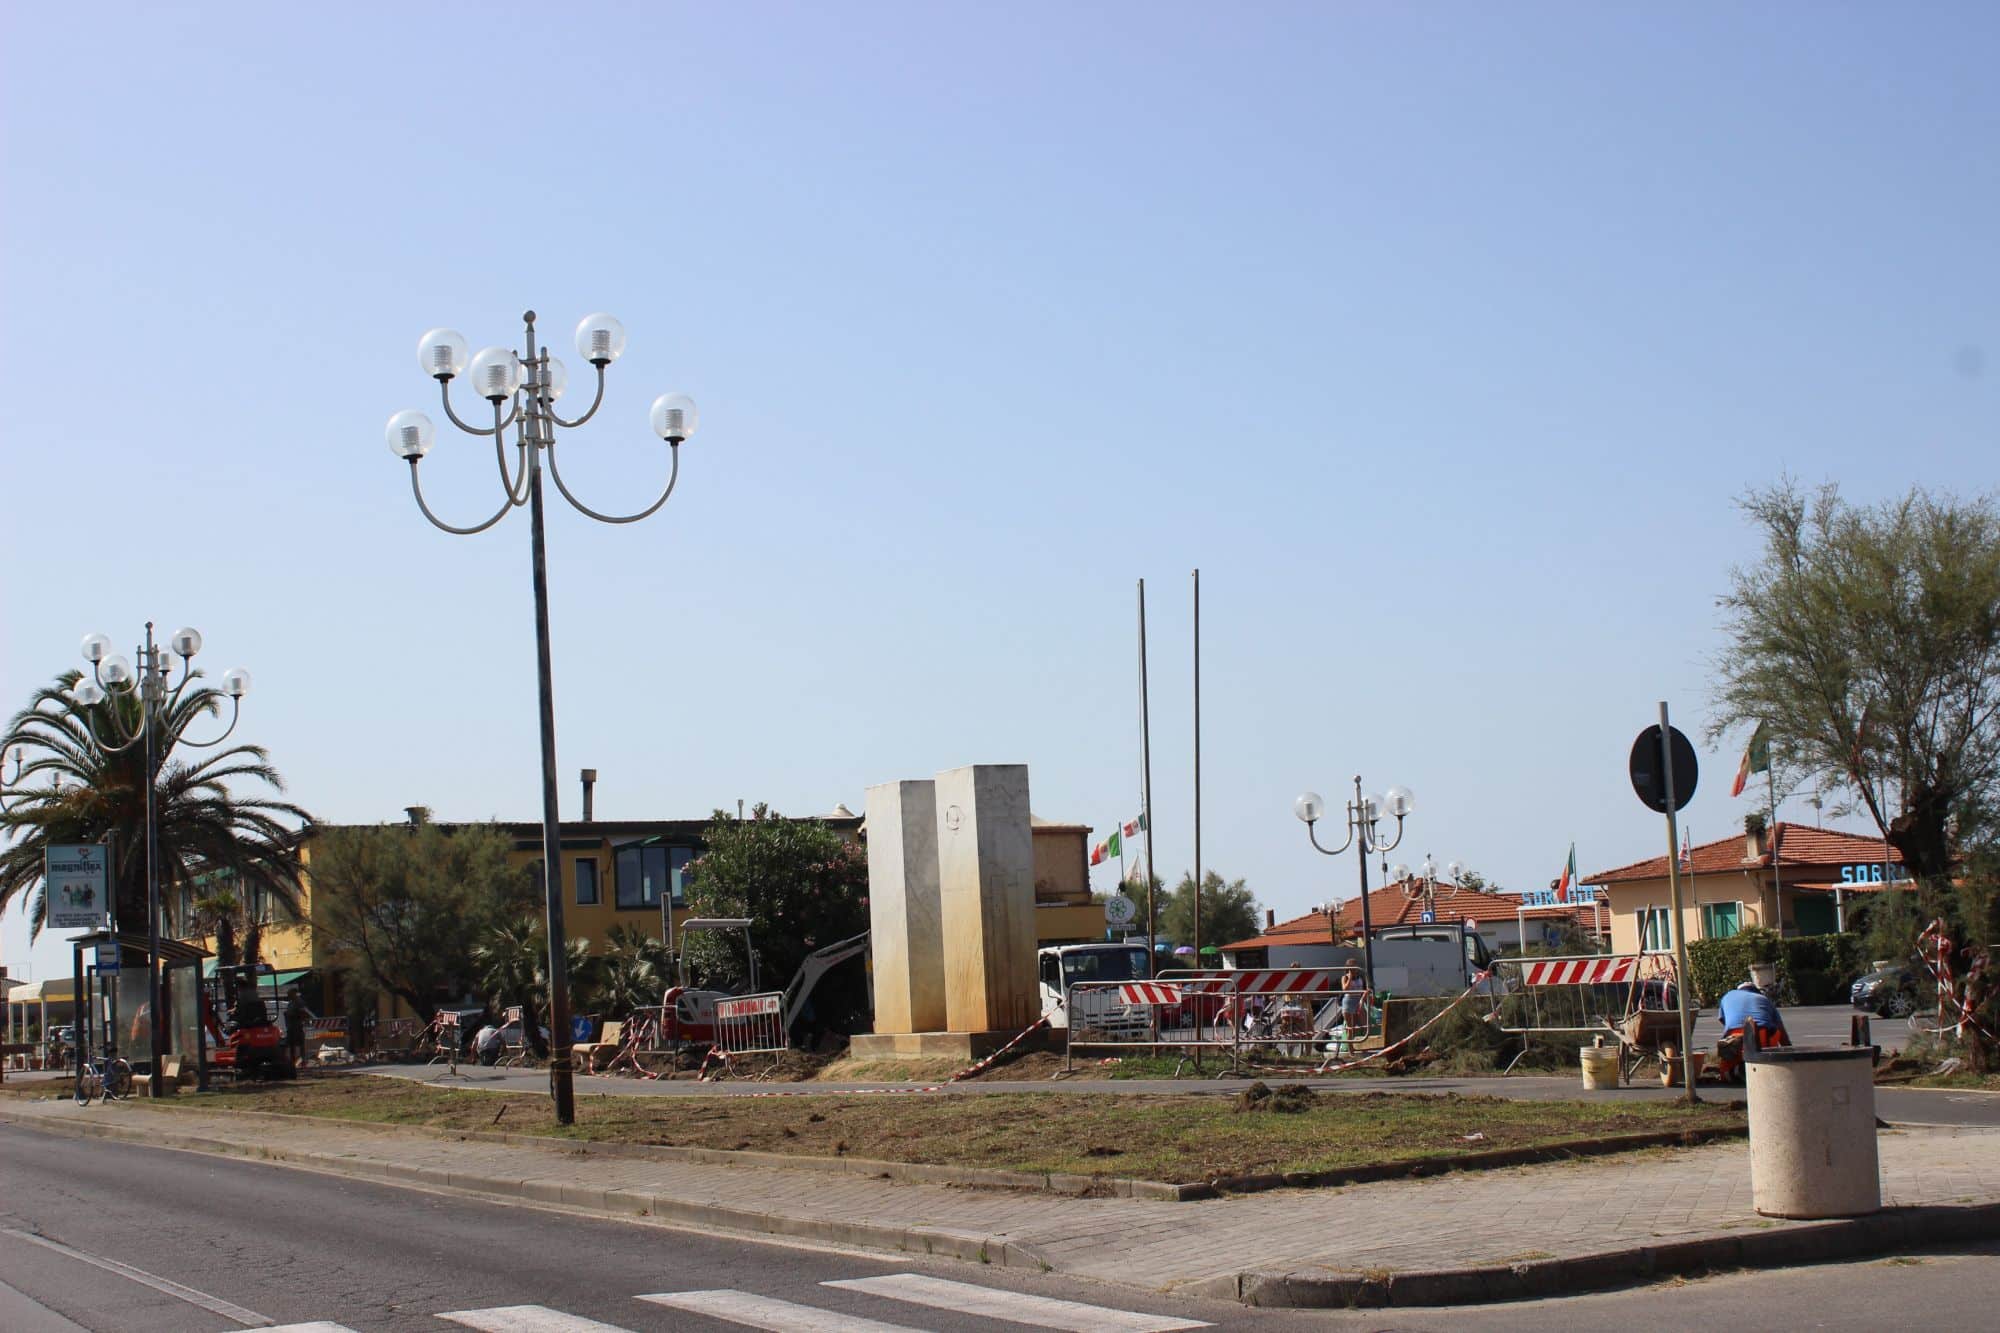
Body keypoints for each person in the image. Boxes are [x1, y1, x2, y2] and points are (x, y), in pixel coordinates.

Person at [1715, 978, 1790, 1082]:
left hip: (1734, 1037)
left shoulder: (1727, 996)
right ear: (1756, 991)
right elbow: (1781, 1031)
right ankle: (1763, 1068)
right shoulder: (1764, 999)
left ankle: (1737, 1069)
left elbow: (1723, 1021)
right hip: (1762, 1035)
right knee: (1768, 1061)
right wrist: (1789, 1056)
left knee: (1725, 1074)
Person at [283, 988, 309, 1067]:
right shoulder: (291, 1003)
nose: (288, 995)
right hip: (291, 1026)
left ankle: (303, 1061)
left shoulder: (299, 1002)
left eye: (289, 994)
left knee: (300, 1044)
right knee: (291, 1044)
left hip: (297, 1026)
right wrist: (287, 1014)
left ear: (294, 993)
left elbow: (303, 1013)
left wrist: (293, 1016)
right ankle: (292, 1061)